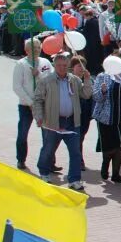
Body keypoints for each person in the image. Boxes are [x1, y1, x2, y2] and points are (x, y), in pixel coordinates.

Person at [32, 51, 92, 191]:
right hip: (53, 121)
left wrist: (87, 80)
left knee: (75, 152)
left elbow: (86, 94)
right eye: (59, 65)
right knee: (48, 149)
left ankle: (74, 179)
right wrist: (39, 117)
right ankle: (44, 173)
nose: (62, 68)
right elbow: (37, 100)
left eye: (65, 65)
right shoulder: (46, 80)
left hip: (71, 121)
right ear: (54, 66)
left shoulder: (74, 80)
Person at [12, 38, 53, 171]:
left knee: (48, 134)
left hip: (43, 103)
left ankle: (49, 161)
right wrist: (30, 102)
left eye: (38, 47)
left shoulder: (45, 62)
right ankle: (21, 159)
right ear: (27, 50)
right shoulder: (20, 64)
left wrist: (39, 75)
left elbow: (51, 80)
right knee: (23, 133)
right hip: (26, 106)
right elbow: (17, 87)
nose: (36, 50)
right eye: (33, 48)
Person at [92, 56, 121, 183]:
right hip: (106, 118)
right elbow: (96, 97)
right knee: (109, 146)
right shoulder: (102, 77)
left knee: (120, 144)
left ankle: (116, 174)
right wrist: (103, 91)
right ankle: (105, 166)